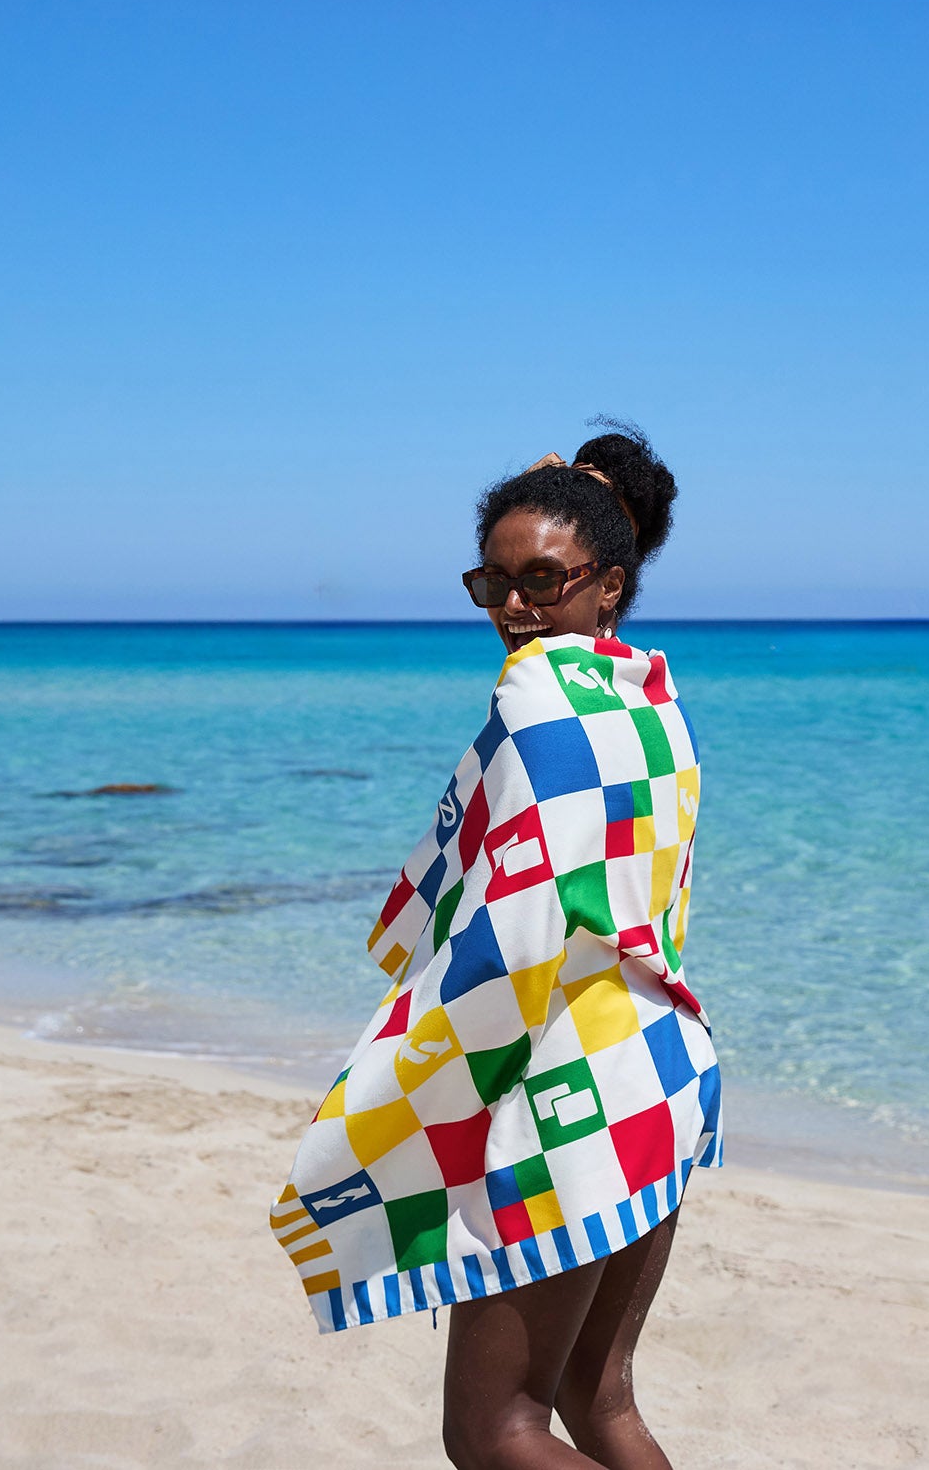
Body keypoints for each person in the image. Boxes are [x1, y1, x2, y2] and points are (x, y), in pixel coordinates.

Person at [272, 423, 722, 1469]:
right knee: (598, 1401)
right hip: (660, 1071)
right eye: (493, 582)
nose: (515, 606)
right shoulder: (653, 702)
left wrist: (390, 1092)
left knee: (492, 1432)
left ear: (609, 581)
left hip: (573, 1095)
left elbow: (509, 941)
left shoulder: (532, 698)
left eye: (542, 579)